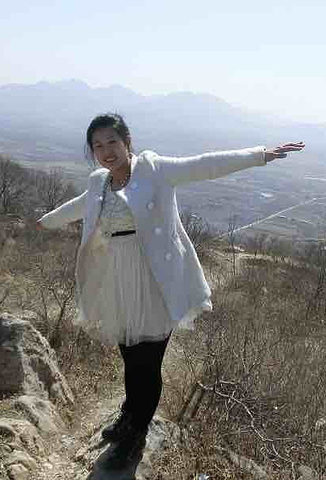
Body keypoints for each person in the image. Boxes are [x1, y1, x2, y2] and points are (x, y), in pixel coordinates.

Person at [36, 113, 304, 469]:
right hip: (117, 279)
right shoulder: (99, 182)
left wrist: (260, 155)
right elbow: (79, 206)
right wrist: (44, 222)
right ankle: (129, 415)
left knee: (147, 365)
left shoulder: (154, 169)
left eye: (112, 142)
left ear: (127, 141)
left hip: (154, 280)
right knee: (130, 358)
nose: (106, 151)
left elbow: (204, 165)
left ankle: (136, 436)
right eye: (97, 145)